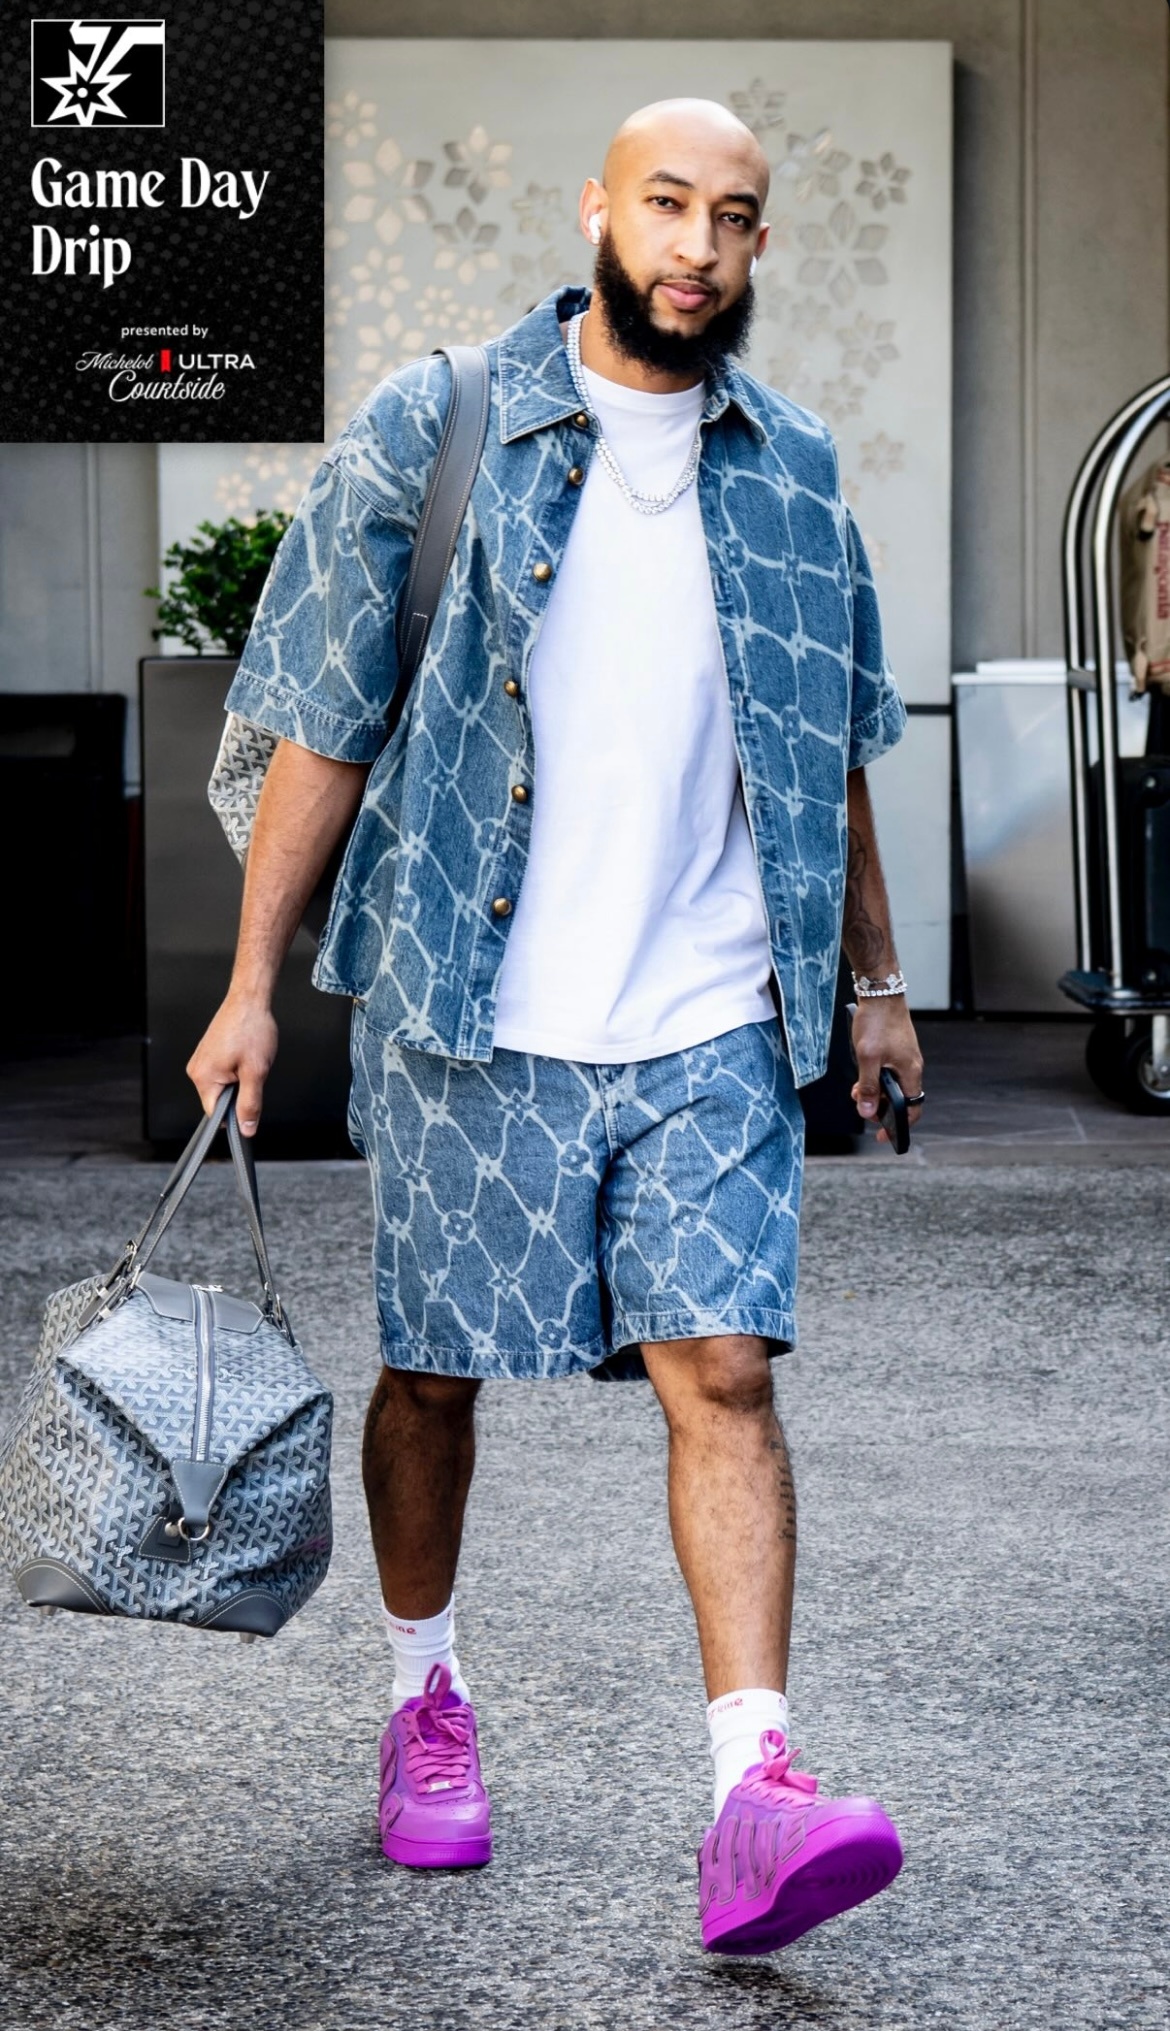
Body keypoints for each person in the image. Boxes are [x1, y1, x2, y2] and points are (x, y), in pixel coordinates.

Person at [189, 96, 925, 1957]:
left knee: (726, 1374)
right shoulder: (438, 424)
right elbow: (322, 721)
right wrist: (251, 986)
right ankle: (422, 1695)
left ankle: (754, 1790)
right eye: (667, 203)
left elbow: (828, 742)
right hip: (471, 1006)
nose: (696, 244)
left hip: (709, 1012)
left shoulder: (792, 465)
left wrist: (873, 980)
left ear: (758, 245)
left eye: (732, 215)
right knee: (433, 1378)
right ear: (599, 207)